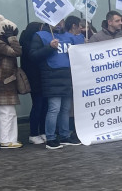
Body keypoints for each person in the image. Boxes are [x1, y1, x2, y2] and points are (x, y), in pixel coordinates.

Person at [31, 16, 85, 149]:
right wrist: (49, 47)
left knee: (65, 109)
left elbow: (81, 52)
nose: (59, 23)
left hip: (67, 76)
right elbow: (33, 55)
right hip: (51, 76)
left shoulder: (69, 36)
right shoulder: (40, 36)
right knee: (54, 108)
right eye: (56, 21)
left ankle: (65, 136)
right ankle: (51, 138)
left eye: (61, 21)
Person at [0, 15, 27, 148]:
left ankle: (11, 139)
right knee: (6, 113)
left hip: (6, 80)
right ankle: (6, 140)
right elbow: (17, 51)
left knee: (10, 112)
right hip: (3, 81)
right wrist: (12, 38)